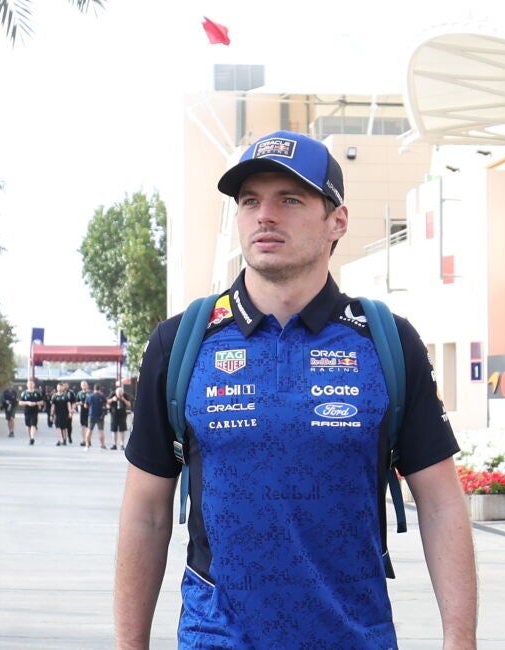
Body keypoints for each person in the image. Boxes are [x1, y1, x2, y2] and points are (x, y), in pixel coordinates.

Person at [114, 130, 477, 649]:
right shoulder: (182, 343)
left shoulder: (386, 342)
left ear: (338, 221)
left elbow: (440, 505)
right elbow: (146, 514)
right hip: (216, 638)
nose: (265, 216)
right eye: (250, 201)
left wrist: (460, 640)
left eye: (289, 199)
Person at [19, 379, 45, 445]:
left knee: (33, 424)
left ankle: (32, 438)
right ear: (27, 385)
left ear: (34, 385)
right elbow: (20, 402)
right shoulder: (24, 393)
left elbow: (42, 402)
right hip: (27, 411)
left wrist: (35, 403)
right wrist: (27, 403)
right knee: (28, 426)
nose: (30, 385)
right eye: (29, 384)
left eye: (31, 384)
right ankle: (30, 438)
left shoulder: (37, 393)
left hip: (34, 411)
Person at [107, 386, 131, 450]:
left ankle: (122, 444)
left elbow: (129, 404)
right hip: (114, 415)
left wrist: (123, 399)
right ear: (116, 393)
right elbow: (107, 402)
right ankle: (114, 444)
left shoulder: (125, 395)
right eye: (118, 394)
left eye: (121, 394)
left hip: (122, 415)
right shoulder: (112, 394)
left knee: (122, 430)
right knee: (114, 430)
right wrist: (112, 399)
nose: (119, 395)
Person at [85, 383, 108, 450]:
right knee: (101, 431)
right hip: (100, 416)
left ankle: (87, 445)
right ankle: (103, 445)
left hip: (91, 415)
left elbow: (86, 405)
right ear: (100, 389)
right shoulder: (102, 396)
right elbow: (105, 404)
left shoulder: (89, 396)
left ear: (94, 389)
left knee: (89, 430)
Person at [52, 382, 75, 446]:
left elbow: (68, 405)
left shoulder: (66, 396)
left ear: (62, 388)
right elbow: (53, 406)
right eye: (58, 387)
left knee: (64, 427)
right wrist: (51, 415)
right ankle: (59, 440)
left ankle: (65, 439)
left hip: (65, 414)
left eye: (60, 387)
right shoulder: (54, 396)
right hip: (57, 414)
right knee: (58, 427)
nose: (59, 388)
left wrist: (70, 412)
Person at [77, 379, 92, 446]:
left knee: (89, 427)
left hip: (89, 412)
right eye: (83, 385)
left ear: (87, 385)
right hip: (82, 411)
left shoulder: (90, 393)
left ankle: (88, 440)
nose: (84, 386)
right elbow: (76, 402)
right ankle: (84, 440)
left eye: (85, 385)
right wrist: (79, 403)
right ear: (81, 386)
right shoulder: (79, 393)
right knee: (83, 427)